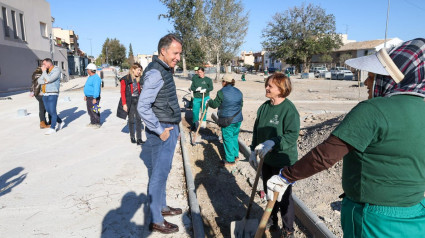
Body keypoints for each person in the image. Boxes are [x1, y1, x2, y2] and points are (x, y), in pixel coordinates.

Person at [266, 38, 425, 238]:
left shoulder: (373, 110)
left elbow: (325, 156)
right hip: (415, 213)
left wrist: (285, 176)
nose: (367, 82)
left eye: (373, 76)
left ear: (391, 78)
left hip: (374, 218)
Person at [137, 33, 183, 234]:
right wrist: (160, 130)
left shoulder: (164, 69)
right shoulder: (156, 73)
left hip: (168, 126)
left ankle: (162, 207)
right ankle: (156, 219)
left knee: (163, 171)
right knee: (158, 175)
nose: (178, 58)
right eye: (175, 53)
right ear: (163, 51)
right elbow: (142, 106)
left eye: (180, 53)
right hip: (162, 129)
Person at [249, 73, 300, 238]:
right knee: (268, 190)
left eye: (270, 86)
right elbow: (257, 130)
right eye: (266, 84)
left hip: (283, 161)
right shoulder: (264, 107)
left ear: (281, 89)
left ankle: (288, 229)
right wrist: (252, 150)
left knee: (284, 196)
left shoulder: (289, 110)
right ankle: (272, 221)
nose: (266, 88)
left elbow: (292, 135)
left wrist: (275, 142)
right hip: (267, 159)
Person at [207, 74, 243, 167]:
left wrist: (209, 101)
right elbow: (241, 105)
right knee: (234, 137)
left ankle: (230, 160)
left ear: (225, 82)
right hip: (238, 119)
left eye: (222, 81)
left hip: (227, 120)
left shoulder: (221, 92)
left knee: (227, 139)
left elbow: (215, 104)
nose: (222, 83)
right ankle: (236, 156)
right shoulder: (239, 91)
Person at [118, 63, 144, 144]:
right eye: (138, 70)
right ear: (133, 69)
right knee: (131, 119)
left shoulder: (140, 79)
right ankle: (132, 137)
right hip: (130, 101)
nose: (139, 72)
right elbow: (122, 92)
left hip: (138, 100)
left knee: (139, 119)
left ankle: (139, 139)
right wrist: (124, 104)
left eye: (140, 70)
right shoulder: (125, 79)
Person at [37, 58, 64, 135]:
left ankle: (52, 128)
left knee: (52, 111)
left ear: (49, 63)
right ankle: (60, 122)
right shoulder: (46, 71)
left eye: (44, 64)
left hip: (53, 93)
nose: (43, 66)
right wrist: (46, 80)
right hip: (45, 93)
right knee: (49, 111)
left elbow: (49, 79)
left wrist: (45, 75)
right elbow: (39, 80)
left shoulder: (56, 70)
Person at [84, 63, 102, 128]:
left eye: (87, 69)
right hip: (89, 97)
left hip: (93, 97)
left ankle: (97, 123)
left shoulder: (96, 78)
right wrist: (85, 95)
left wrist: (95, 98)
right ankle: (92, 122)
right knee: (89, 111)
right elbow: (87, 87)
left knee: (94, 110)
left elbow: (96, 88)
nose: (87, 70)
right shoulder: (90, 77)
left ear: (90, 70)